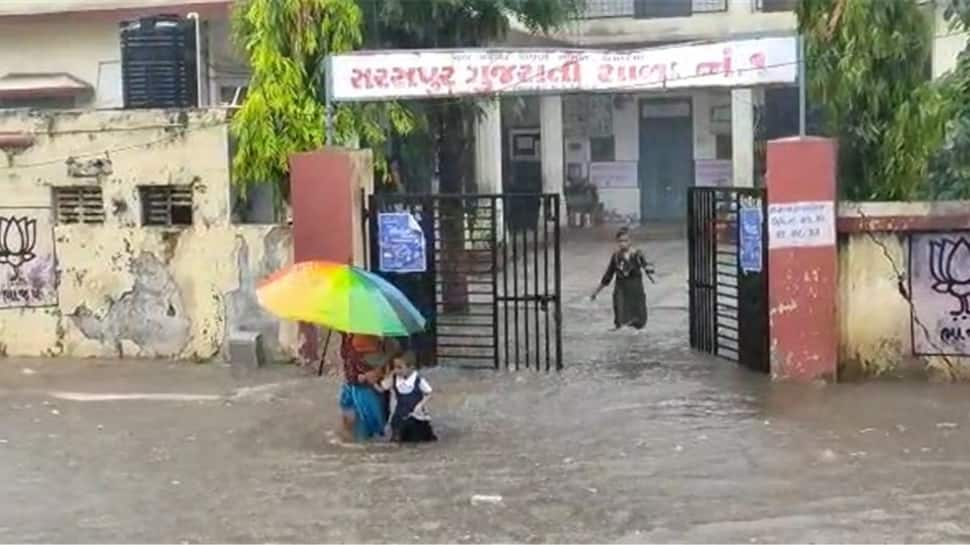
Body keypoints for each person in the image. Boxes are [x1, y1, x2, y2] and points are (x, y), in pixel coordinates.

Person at [591, 227, 654, 330]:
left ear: (630, 241)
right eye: (620, 241)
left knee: (638, 322)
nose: (622, 243)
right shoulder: (616, 257)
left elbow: (648, 268)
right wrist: (596, 292)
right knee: (620, 322)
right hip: (621, 291)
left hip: (635, 292)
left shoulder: (637, 255)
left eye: (625, 240)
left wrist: (649, 270)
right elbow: (608, 276)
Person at [338, 333, 388, 441]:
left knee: (365, 429)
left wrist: (376, 372)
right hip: (351, 384)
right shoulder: (346, 333)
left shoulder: (367, 335)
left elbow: (386, 359)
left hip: (366, 388)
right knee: (348, 425)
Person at [378, 350, 437, 443]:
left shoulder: (418, 379)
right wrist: (390, 374)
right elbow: (383, 387)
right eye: (395, 367)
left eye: (400, 367)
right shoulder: (395, 379)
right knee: (396, 439)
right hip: (400, 415)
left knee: (417, 441)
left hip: (417, 417)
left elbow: (429, 393)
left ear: (411, 368)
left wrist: (420, 405)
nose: (397, 370)